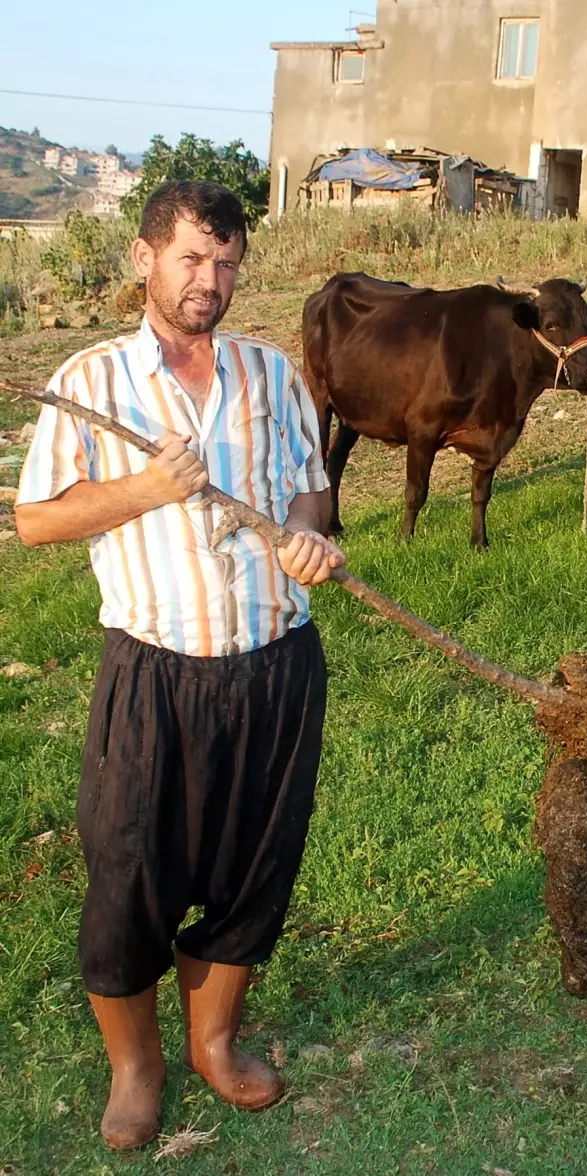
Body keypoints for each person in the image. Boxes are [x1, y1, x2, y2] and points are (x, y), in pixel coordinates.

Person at [15, 181, 345, 1149]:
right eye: (194, 259)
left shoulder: (273, 375)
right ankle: (136, 1067)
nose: (212, 281)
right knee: (127, 876)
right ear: (143, 259)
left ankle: (214, 1040)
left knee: (256, 868)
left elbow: (312, 496)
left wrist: (303, 538)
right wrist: (147, 487)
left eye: (229, 261)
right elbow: (36, 519)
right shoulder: (92, 382)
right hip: (153, 676)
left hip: (276, 668)